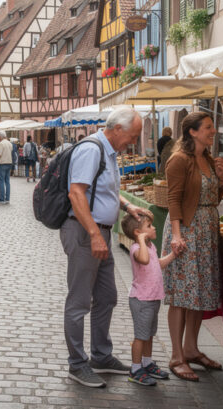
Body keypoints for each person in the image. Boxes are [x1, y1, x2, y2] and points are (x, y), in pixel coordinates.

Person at [62, 106, 150, 388]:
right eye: (133, 136)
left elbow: (103, 189)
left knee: (107, 296)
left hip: (100, 233)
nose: (133, 143)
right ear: (117, 130)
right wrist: (94, 234)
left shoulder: (109, 152)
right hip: (85, 232)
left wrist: (125, 204)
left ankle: (101, 355)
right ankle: (77, 363)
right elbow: (76, 193)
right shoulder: (91, 150)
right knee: (79, 301)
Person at [162, 111, 223, 382]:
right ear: (193, 131)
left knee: (197, 293)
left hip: (207, 230)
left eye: (213, 127)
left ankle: (191, 348)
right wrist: (177, 236)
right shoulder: (179, 160)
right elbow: (173, 199)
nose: (214, 131)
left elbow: (214, 198)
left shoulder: (208, 159)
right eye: (209, 127)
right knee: (181, 294)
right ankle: (177, 355)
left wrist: (221, 178)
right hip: (186, 230)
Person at [120, 214, 179, 386]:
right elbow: (145, 261)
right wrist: (140, 239)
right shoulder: (136, 249)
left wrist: (173, 255)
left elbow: (157, 264)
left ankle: (147, 363)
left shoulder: (150, 246)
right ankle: (135, 369)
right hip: (141, 300)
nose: (154, 228)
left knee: (149, 334)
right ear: (138, 232)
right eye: (149, 226)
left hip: (153, 298)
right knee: (140, 336)